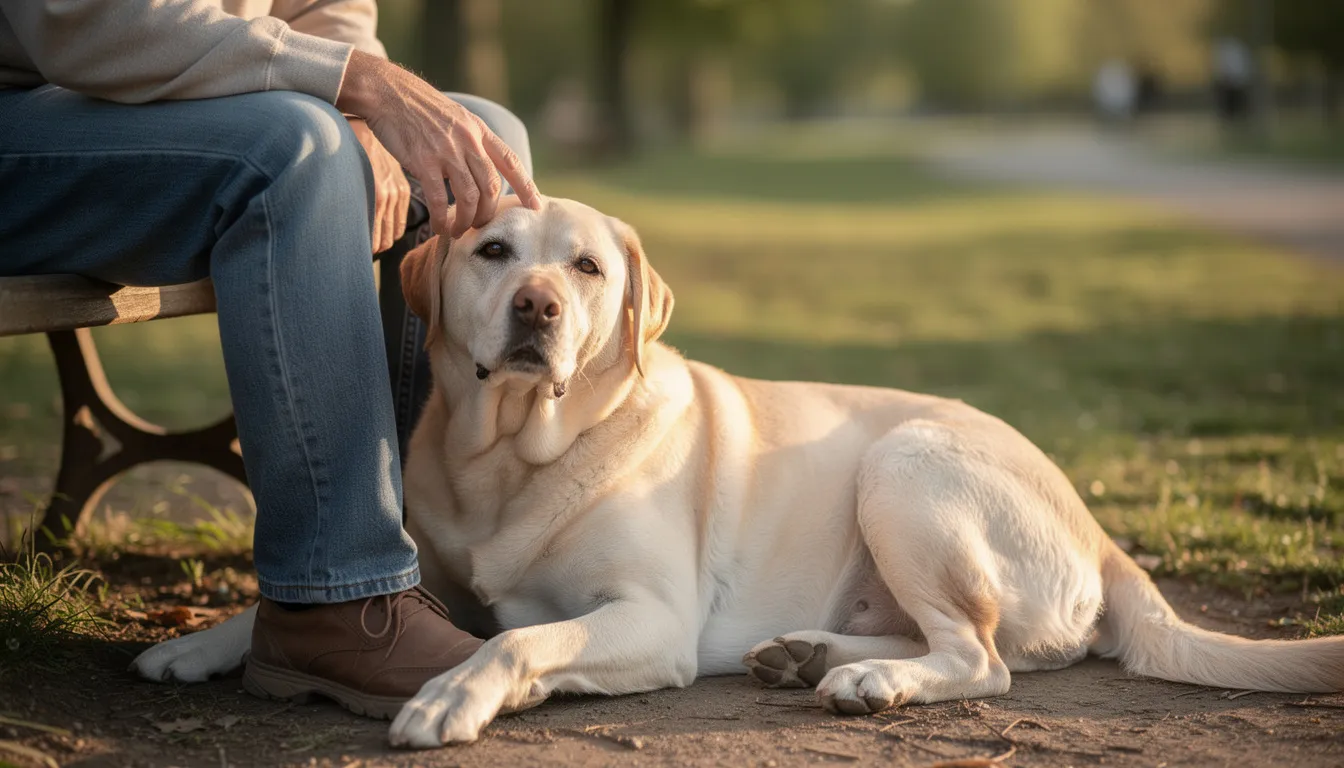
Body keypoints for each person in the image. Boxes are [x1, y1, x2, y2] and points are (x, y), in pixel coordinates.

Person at [0, 1, 539, 719]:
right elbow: (88, 23)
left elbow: (322, 8)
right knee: (295, 148)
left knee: (482, 135)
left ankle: (417, 557)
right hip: (30, 115)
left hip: (153, 104)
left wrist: (357, 111)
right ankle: (337, 599)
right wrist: (356, 88)